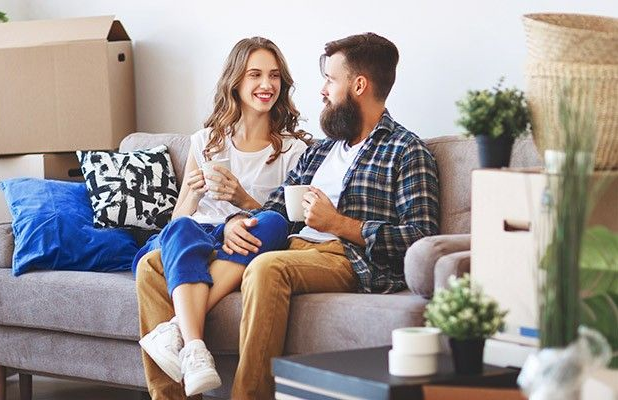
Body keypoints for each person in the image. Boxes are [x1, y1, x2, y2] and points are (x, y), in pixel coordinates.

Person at [221, 32, 440, 399]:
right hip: (291, 246)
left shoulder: (407, 151)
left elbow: (420, 238)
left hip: (344, 258)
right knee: (157, 264)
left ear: (358, 85)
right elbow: (275, 207)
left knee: (266, 267)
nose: (322, 90)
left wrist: (338, 224)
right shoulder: (320, 151)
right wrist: (233, 223)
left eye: (329, 79)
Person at [134, 37, 311, 398]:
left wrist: (241, 200)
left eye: (274, 76)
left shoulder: (294, 150)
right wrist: (194, 193)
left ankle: (178, 330)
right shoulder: (206, 141)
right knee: (175, 235)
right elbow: (177, 222)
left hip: (247, 239)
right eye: (255, 75)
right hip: (199, 236)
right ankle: (195, 350)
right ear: (236, 82)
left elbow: (292, 221)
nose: (267, 85)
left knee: (273, 224)